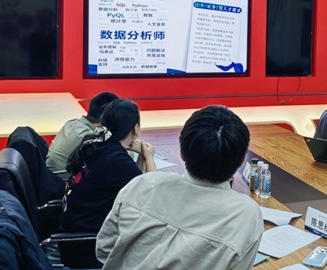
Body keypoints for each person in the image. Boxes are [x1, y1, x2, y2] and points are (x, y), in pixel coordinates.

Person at [96, 105, 264, 270]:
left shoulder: (141, 184)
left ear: (182, 152)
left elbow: (104, 251)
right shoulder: (246, 214)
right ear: (242, 160)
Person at [59, 99, 156, 269]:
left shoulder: (97, 144)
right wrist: (149, 157)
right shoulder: (117, 160)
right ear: (135, 128)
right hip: (90, 248)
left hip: (73, 239)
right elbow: (153, 194)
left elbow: (135, 183)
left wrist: (141, 157)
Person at [46, 91, 119, 179]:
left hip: (49, 179)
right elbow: (115, 165)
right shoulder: (89, 138)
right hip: (64, 185)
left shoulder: (71, 123)